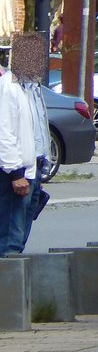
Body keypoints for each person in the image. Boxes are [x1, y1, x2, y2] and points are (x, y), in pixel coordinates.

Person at [0, 38, 40, 255]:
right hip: (14, 173)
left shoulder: (28, 88)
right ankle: (7, 287)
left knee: (19, 236)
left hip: (31, 170)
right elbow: (4, 132)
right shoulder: (8, 88)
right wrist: (16, 173)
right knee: (10, 240)